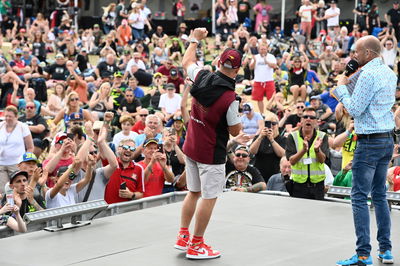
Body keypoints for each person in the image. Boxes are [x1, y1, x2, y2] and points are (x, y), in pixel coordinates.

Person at [175, 28, 242, 259]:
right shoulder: (231, 99)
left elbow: (187, 61)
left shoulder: (201, 75)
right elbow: (235, 130)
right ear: (238, 70)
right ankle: (196, 244)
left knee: (193, 192)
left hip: (191, 146)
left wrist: (195, 38)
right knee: (208, 197)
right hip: (211, 152)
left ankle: (183, 235)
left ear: (219, 62)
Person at [333, 35, 396, 266]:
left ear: (368, 54)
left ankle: (362, 254)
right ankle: (386, 250)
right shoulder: (390, 73)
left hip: (369, 142)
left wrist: (341, 90)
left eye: (356, 53)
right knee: (379, 195)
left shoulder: (368, 74)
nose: (353, 57)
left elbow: (356, 109)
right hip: (386, 140)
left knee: (359, 196)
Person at [285, 107, 329, 200]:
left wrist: (317, 150)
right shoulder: (292, 136)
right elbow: (291, 161)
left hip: (317, 185)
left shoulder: (322, 136)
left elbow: (322, 160)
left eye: (312, 117)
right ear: (301, 120)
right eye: (305, 117)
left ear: (316, 122)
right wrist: (303, 150)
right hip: (299, 185)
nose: (308, 119)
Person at [0, 105, 34, 194]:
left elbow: (30, 147)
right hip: (1, 164)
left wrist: (25, 163)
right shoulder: (1, 126)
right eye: (6, 116)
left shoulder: (22, 127)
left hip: (16, 164)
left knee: (18, 190)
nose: (7, 118)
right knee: (4, 191)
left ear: (16, 116)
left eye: (10, 116)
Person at [249, 112, 286, 183]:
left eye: (274, 124)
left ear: (278, 125)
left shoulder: (283, 139)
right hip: (259, 174)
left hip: (275, 175)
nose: (271, 126)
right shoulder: (259, 138)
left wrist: (272, 140)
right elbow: (252, 151)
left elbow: (282, 154)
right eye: (267, 123)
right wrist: (260, 137)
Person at [249, 43, 277, 114]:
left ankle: (272, 113)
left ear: (267, 49)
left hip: (269, 80)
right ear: (259, 50)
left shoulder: (271, 56)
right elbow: (251, 67)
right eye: (261, 49)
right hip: (258, 81)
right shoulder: (256, 57)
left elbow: (274, 66)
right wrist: (254, 61)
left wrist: (266, 61)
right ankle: (262, 113)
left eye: (264, 49)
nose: (263, 51)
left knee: (272, 99)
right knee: (259, 99)